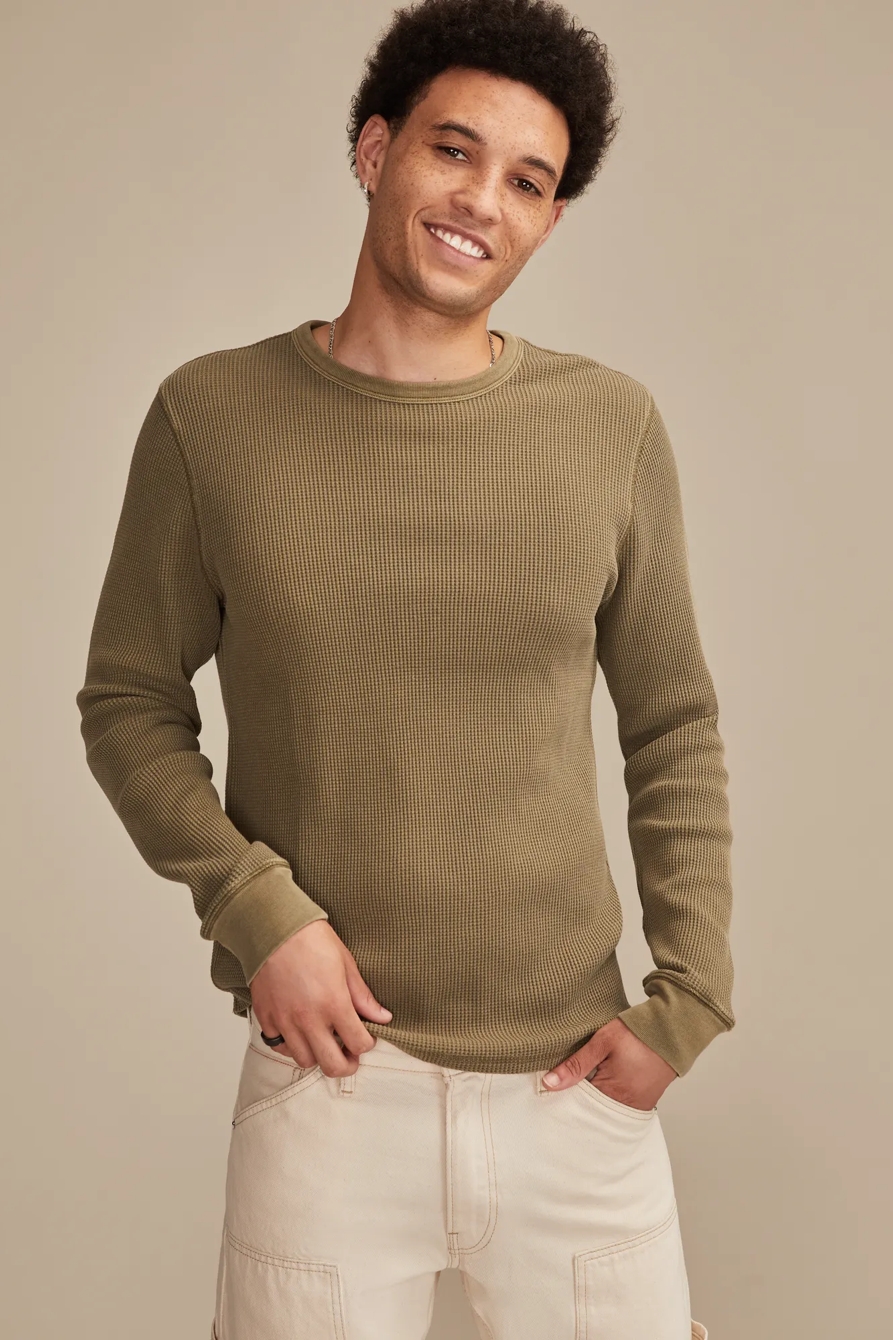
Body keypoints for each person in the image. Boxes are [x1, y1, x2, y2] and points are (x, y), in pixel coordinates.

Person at [75, 1, 734, 1336]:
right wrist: (257, 912)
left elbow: (671, 727)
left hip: (573, 1096)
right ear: (375, 152)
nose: (482, 200)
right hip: (328, 1094)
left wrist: (691, 1000)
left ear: (548, 220)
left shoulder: (606, 427)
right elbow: (129, 703)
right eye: (453, 150)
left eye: (527, 181)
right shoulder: (213, 418)